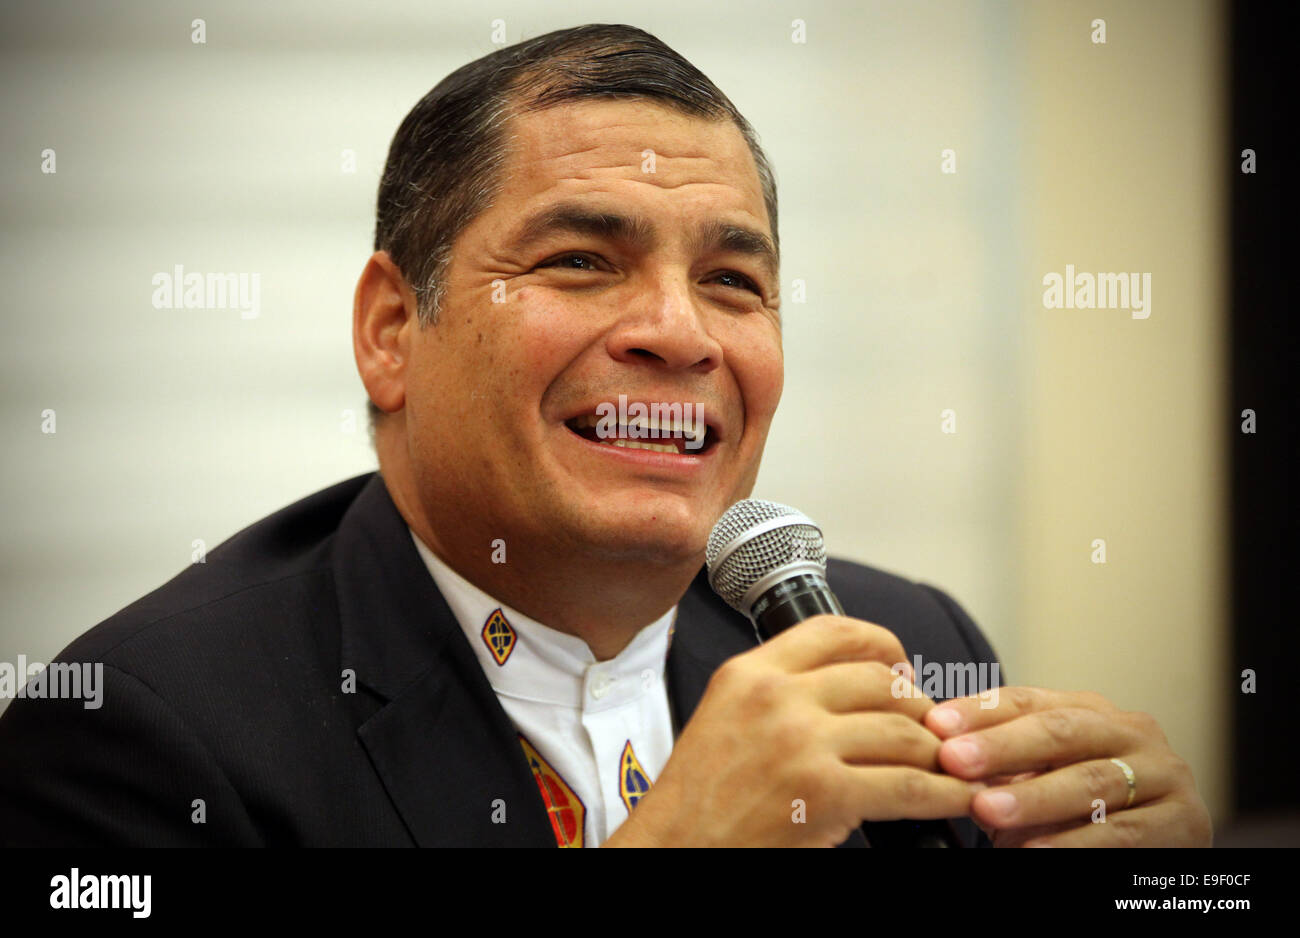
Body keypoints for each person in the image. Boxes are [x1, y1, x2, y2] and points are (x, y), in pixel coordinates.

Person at [0, 24, 1210, 848]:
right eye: (582, 260)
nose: (680, 333)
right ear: (389, 330)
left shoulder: (912, 642)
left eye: (735, 280)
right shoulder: (136, 739)